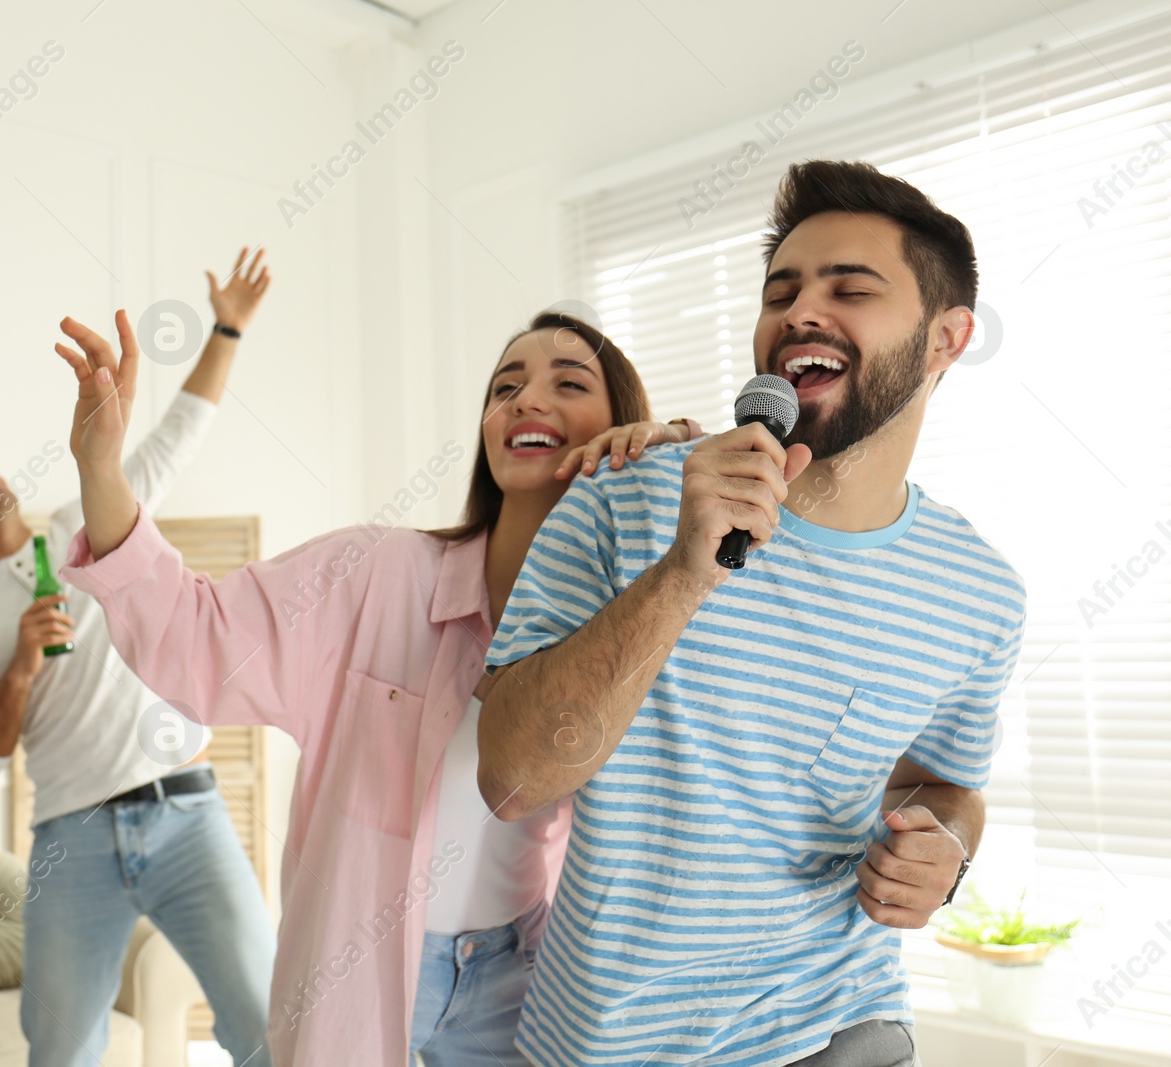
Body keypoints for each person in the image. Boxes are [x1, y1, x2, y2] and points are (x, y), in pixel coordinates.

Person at [49, 301, 702, 1065]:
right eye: (505, 387)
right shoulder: (375, 573)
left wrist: (673, 459)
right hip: (361, 973)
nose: (526, 400)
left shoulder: (643, 620)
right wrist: (100, 466)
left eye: (568, 382)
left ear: (622, 422)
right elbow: (195, 638)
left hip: (529, 979)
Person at [478, 160, 1022, 1067]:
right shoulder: (624, 498)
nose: (800, 312)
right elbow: (513, 779)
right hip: (616, 1043)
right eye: (782, 291)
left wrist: (945, 851)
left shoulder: (979, 589)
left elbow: (944, 785)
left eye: (850, 287)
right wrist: (686, 574)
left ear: (945, 338)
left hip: (843, 1024)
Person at [0, 249, 276, 1067]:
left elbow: (181, 430)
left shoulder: (92, 519)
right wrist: (21, 669)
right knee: (61, 1051)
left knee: (267, 1024)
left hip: (188, 812)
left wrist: (227, 327)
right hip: (70, 840)